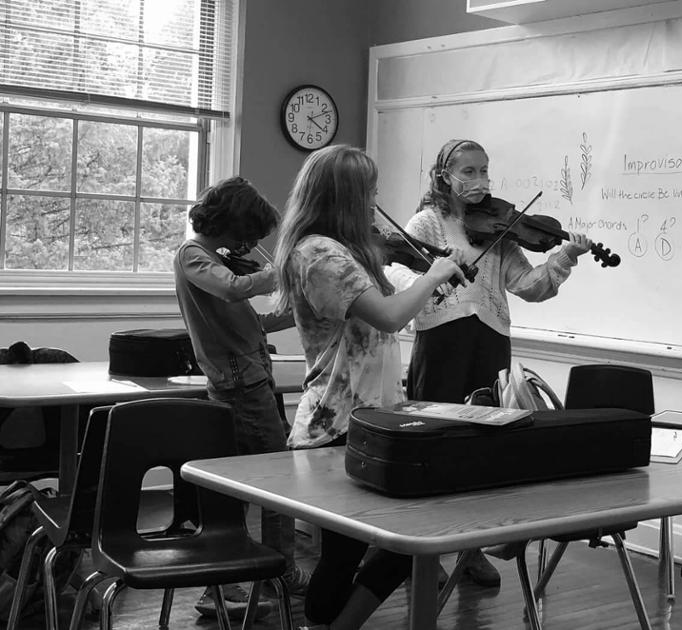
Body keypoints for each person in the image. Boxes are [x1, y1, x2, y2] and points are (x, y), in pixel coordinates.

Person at [274, 144, 465, 629]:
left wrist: (425, 283)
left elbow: (386, 316)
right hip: (337, 422)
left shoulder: (344, 251)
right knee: (352, 551)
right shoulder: (319, 253)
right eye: (369, 192)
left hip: (373, 415)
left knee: (405, 540)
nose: (374, 202)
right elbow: (389, 316)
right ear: (344, 196)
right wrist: (434, 273)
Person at [403, 138, 593, 587]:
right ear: (444, 176)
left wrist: (565, 256)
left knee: (482, 450)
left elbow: (528, 285)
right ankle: (425, 551)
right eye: (468, 171)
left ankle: (471, 550)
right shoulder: (426, 223)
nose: (480, 180)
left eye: (484, 171)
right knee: (436, 446)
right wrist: (435, 275)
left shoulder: (499, 228)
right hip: (442, 341)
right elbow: (405, 278)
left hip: (490, 339)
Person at [172, 176, 308, 620]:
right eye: (247, 234)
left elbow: (254, 324)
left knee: (256, 482)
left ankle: (249, 576)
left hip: (252, 378)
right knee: (273, 481)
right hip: (239, 385)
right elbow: (233, 287)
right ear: (230, 223)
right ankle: (267, 573)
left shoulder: (219, 261)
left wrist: (300, 311)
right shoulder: (193, 255)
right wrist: (285, 269)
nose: (250, 244)